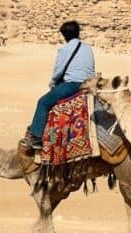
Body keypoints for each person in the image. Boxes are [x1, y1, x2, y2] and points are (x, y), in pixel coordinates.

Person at [28, 20, 95, 149]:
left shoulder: (65, 49)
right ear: (78, 32)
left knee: (43, 102)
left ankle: (37, 138)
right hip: (89, 84)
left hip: (73, 85)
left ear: (64, 36)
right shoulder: (88, 48)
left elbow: (58, 71)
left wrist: (52, 83)